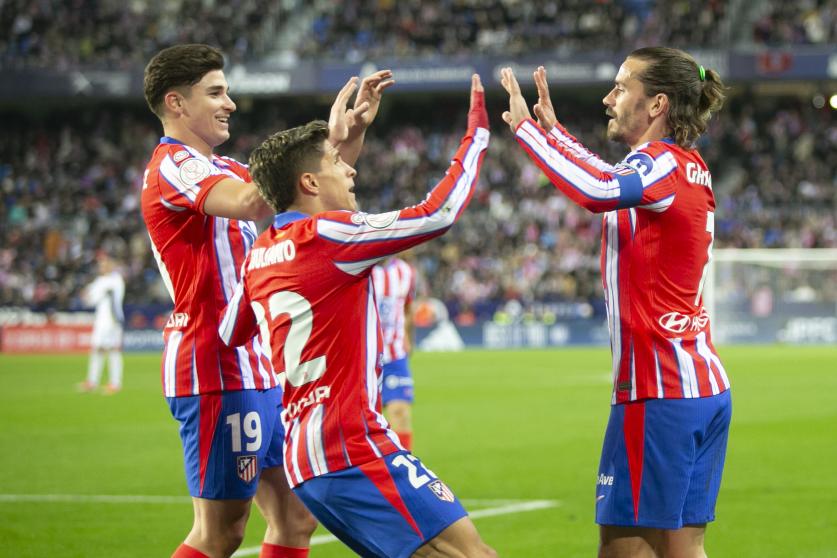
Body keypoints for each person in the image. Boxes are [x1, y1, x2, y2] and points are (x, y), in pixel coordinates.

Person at [219, 74, 495, 558]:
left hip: (303, 457)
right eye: (334, 164)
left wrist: (346, 140)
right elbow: (440, 212)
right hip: (350, 446)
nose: (351, 172)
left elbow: (232, 331)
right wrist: (477, 134)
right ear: (308, 182)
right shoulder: (330, 235)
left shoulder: (260, 254)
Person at [141, 43, 393, 558]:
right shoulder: (175, 167)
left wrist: (347, 138)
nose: (230, 102)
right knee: (219, 533)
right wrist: (326, 133)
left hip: (258, 364)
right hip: (215, 364)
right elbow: (254, 200)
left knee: (294, 519)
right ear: (176, 104)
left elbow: (309, 188)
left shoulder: (224, 166)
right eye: (215, 92)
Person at [500, 47, 732, 558]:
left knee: (625, 550)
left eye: (622, 86)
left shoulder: (660, 166)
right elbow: (611, 177)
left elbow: (600, 189)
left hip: (658, 392)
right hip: (701, 387)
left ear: (657, 105)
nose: (608, 97)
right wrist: (555, 133)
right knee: (683, 551)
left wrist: (528, 134)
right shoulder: (684, 166)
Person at [371, 256, 416, 451]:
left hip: (395, 355)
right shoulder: (359, 267)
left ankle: (404, 469)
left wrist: (406, 336)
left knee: (400, 412)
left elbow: (407, 308)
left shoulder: (405, 272)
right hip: (364, 357)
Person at [78, 251, 125, 395]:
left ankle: (115, 383)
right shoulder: (99, 281)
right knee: (96, 349)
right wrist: (86, 296)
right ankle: (92, 381)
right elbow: (88, 300)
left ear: (111, 266)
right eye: (101, 265)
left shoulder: (115, 280)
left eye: (105, 265)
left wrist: (90, 295)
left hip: (113, 320)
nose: (102, 267)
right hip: (101, 321)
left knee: (113, 350)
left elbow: (105, 297)